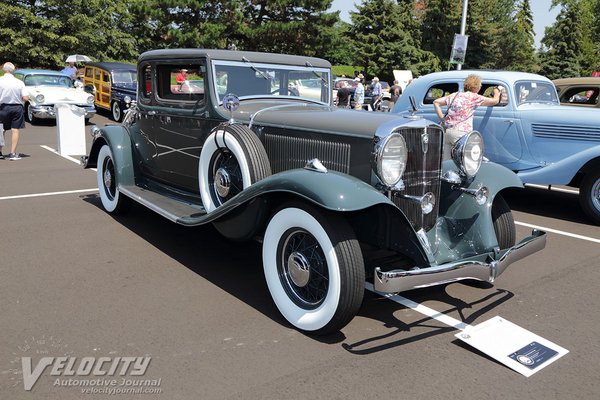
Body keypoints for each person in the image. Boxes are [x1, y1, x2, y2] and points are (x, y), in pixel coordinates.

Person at [433, 74, 500, 160]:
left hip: (448, 132)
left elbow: (436, 102)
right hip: (461, 134)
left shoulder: (455, 95)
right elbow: (495, 101)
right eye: (480, 86)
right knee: (468, 160)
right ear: (476, 87)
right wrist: (497, 90)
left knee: (447, 161)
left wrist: (442, 117)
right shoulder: (474, 97)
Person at [0, 62, 29, 160]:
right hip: (16, 107)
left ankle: (0, 152)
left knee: (1, 130)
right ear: (14, 70)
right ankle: (12, 153)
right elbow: (25, 98)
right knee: (15, 130)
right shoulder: (19, 82)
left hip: (2, 107)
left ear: (3, 70)